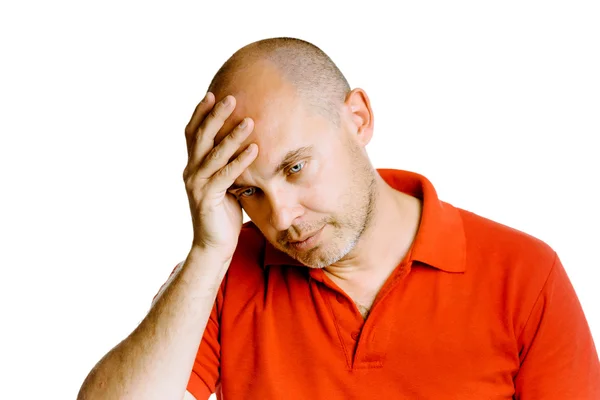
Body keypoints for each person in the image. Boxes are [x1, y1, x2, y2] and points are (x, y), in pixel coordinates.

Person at [77, 37, 600, 400]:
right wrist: (208, 252)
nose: (280, 217)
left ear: (358, 118)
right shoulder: (224, 276)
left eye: (296, 166)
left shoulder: (525, 274)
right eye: (249, 192)